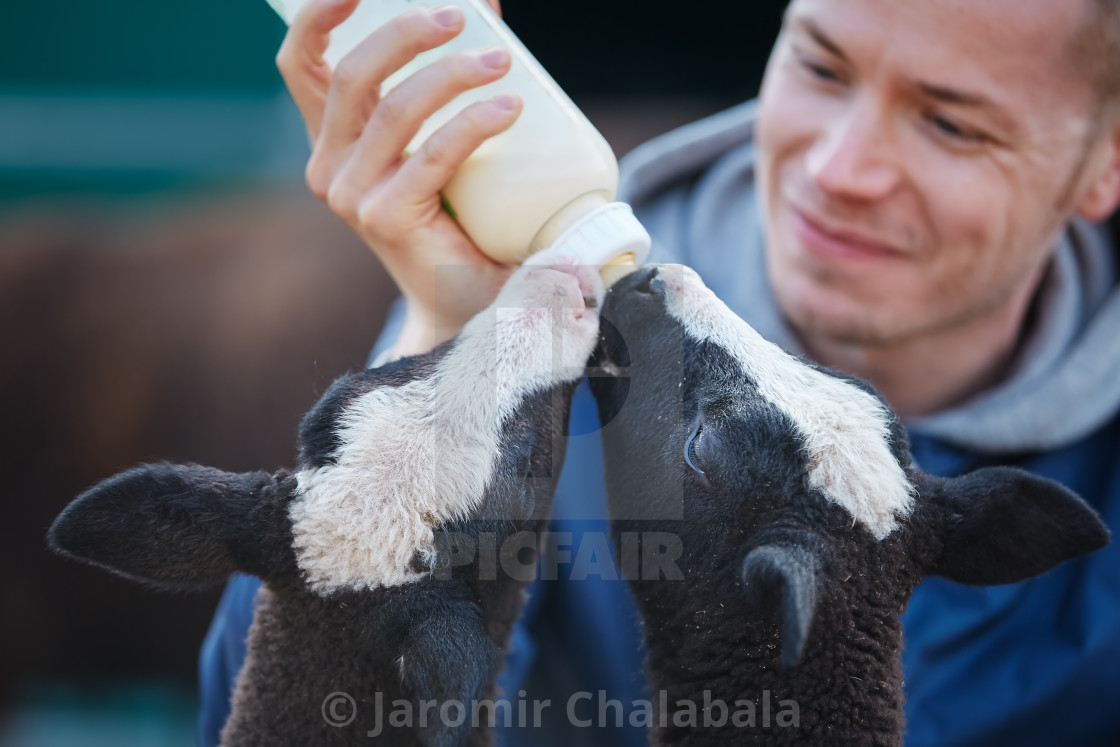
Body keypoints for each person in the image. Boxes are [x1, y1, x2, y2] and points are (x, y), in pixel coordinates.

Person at [199, 0, 1120, 744]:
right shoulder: (553, 318)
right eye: (820, 65)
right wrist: (452, 343)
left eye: (952, 124)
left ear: (1105, 157)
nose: (841, 169)